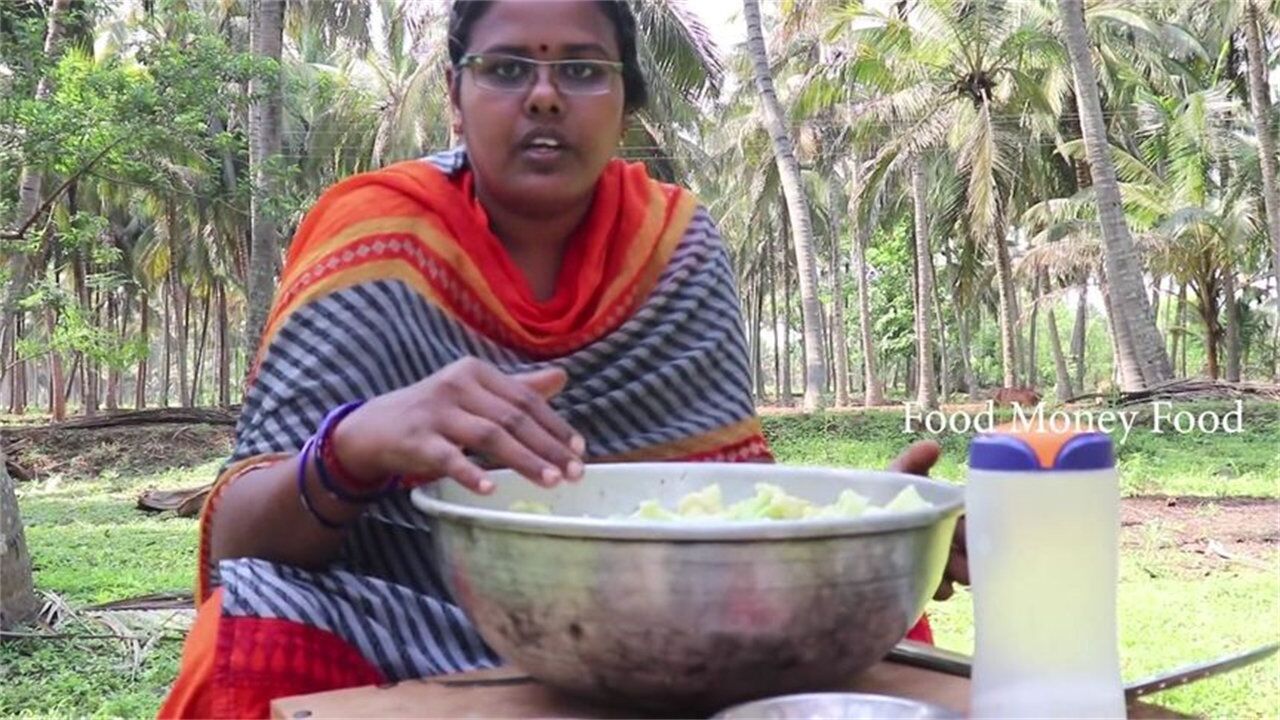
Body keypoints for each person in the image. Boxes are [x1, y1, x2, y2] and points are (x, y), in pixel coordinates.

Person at [159, 2, 962, 717]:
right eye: (506, 68)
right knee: (242, 629)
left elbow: (720, 505)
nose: (543, 96)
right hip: (395, 621)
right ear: (454, 96)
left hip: (660, 628)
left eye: (581, 69)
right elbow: (237, 542)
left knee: (883, 638)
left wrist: (879, 530)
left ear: (623, 102)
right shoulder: (374, 240)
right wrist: (352, 447)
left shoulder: (676, 248)